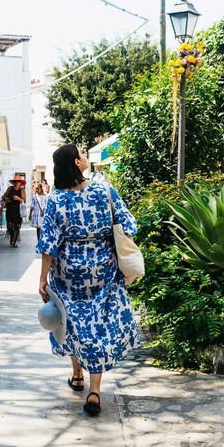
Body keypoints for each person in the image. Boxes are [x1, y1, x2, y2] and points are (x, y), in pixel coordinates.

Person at [36, 144, 139, 415]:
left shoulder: (56, 200)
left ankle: (77, 374)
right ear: (77, 163)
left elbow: (48, 244)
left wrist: (42, 280)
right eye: (81, 154)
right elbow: (128, 225)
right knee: (100, 327)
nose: (84, 157)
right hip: (103, 271)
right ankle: (94, 391)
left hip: (68, 273)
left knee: (70, 321)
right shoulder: (105, 191)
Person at [2, 177, 26, 247]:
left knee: (17, 227)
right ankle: (12, 237)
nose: (17, 183)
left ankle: (15, 241)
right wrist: (8, 199)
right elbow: (4, 196)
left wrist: (18, 198)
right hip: (10, 209)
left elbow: (24, 201)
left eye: (18, 182)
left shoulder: (22, 190)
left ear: (20, 183)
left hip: (18, 210)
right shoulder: (10, 188)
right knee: (9, 226)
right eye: (15, 181)